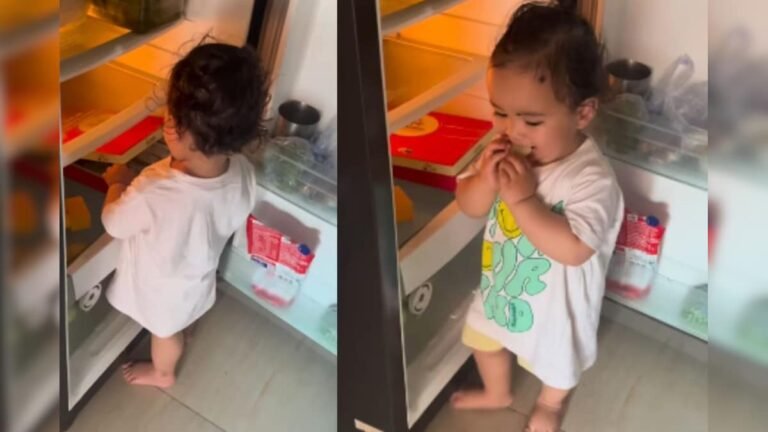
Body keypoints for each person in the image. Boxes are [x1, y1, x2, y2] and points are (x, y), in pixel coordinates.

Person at [452, 2, 624, 431]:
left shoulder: (591, 179)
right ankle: (498, 391)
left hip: (555, 306)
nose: (512, 131)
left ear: (582, 113)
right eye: (500, 111)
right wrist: (487, 183)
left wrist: (525, 201)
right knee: (482, 337)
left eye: (530, 119)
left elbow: (575, 249)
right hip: (502, 286)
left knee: (555, 362)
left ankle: (549, 405)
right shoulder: (502, 151)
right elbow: (469, 206)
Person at [101, 42, 269, 388]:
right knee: (184, 313)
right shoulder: (241, 170)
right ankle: (184, 326)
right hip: (197, 275)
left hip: (163, 288)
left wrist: (118, 183)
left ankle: (163, 373)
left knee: (164, 332)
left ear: (176, 130)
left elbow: (113, 223)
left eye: (170, 115)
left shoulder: (154, 189)